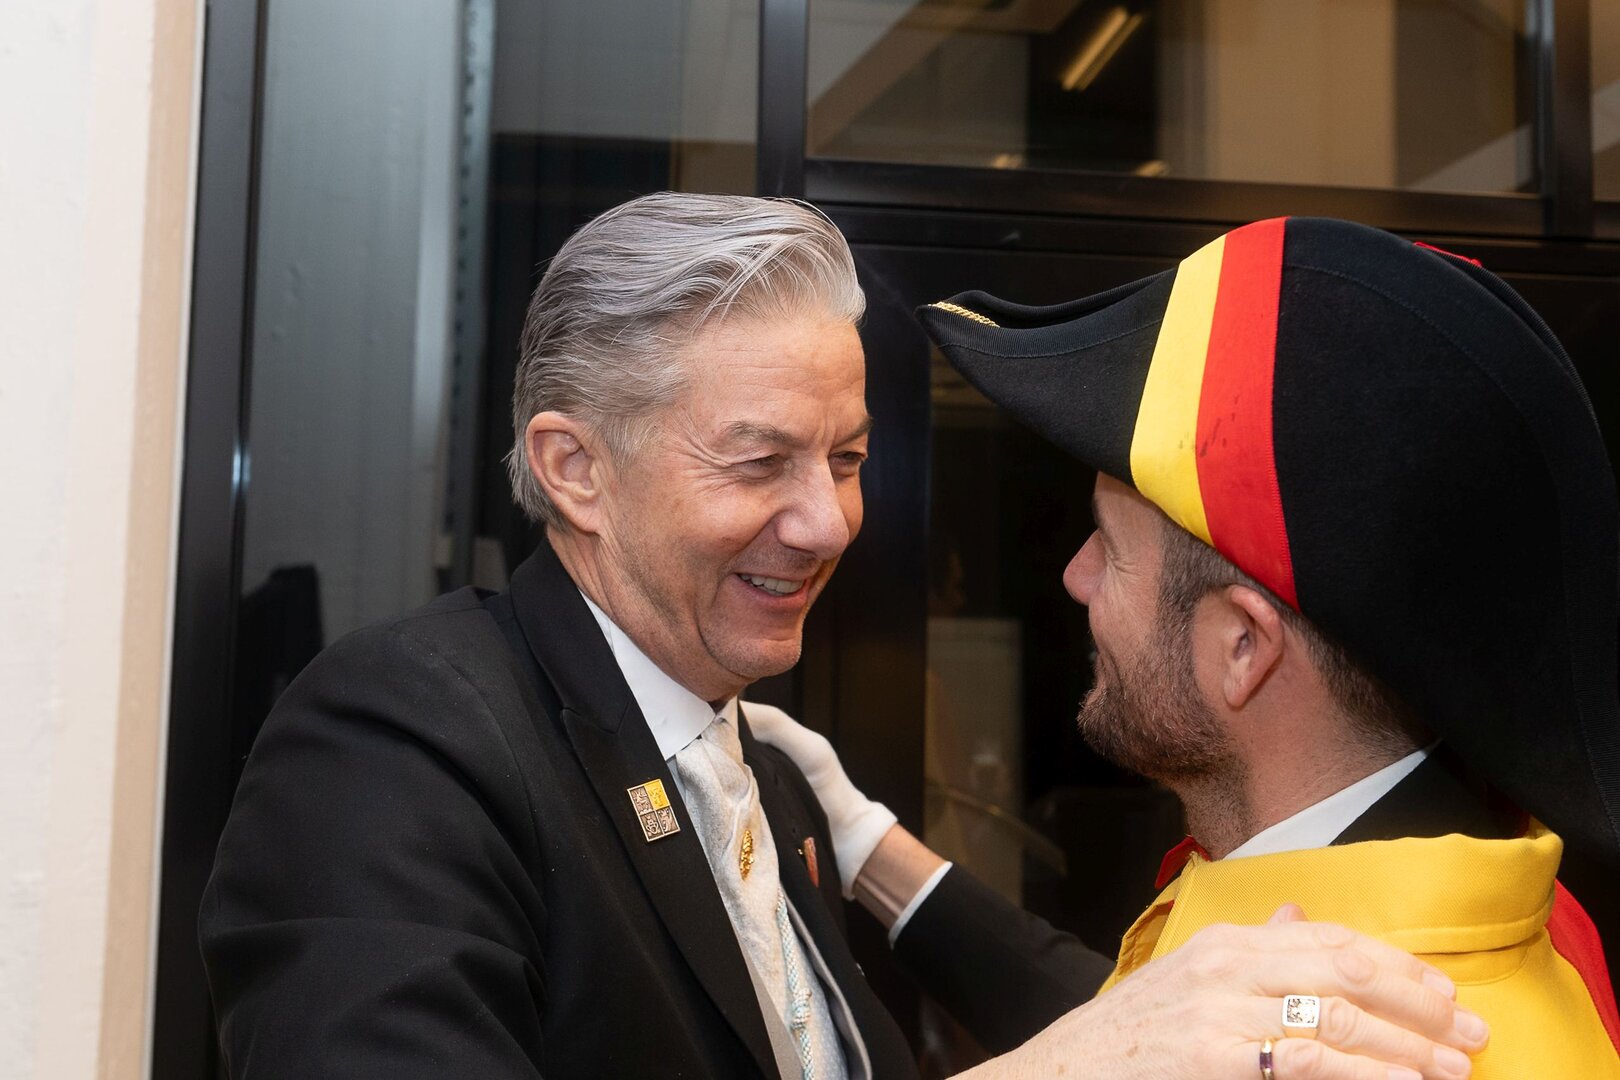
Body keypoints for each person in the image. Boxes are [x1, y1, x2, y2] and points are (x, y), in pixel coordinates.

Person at [200, 196, 1488, 1079]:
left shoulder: (768, 780)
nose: (826, 522)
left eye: (850, 460)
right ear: (576, 470)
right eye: (759, 461)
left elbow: (1109, 1032)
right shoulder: (396, 743)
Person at [757, 215, 1620, 1078]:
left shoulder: (1329, 1050)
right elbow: (1140, 1026)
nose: (1075, 576)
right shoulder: (1483, 912)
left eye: (1109, 545)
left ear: (1244, 646)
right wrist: (866, 841)